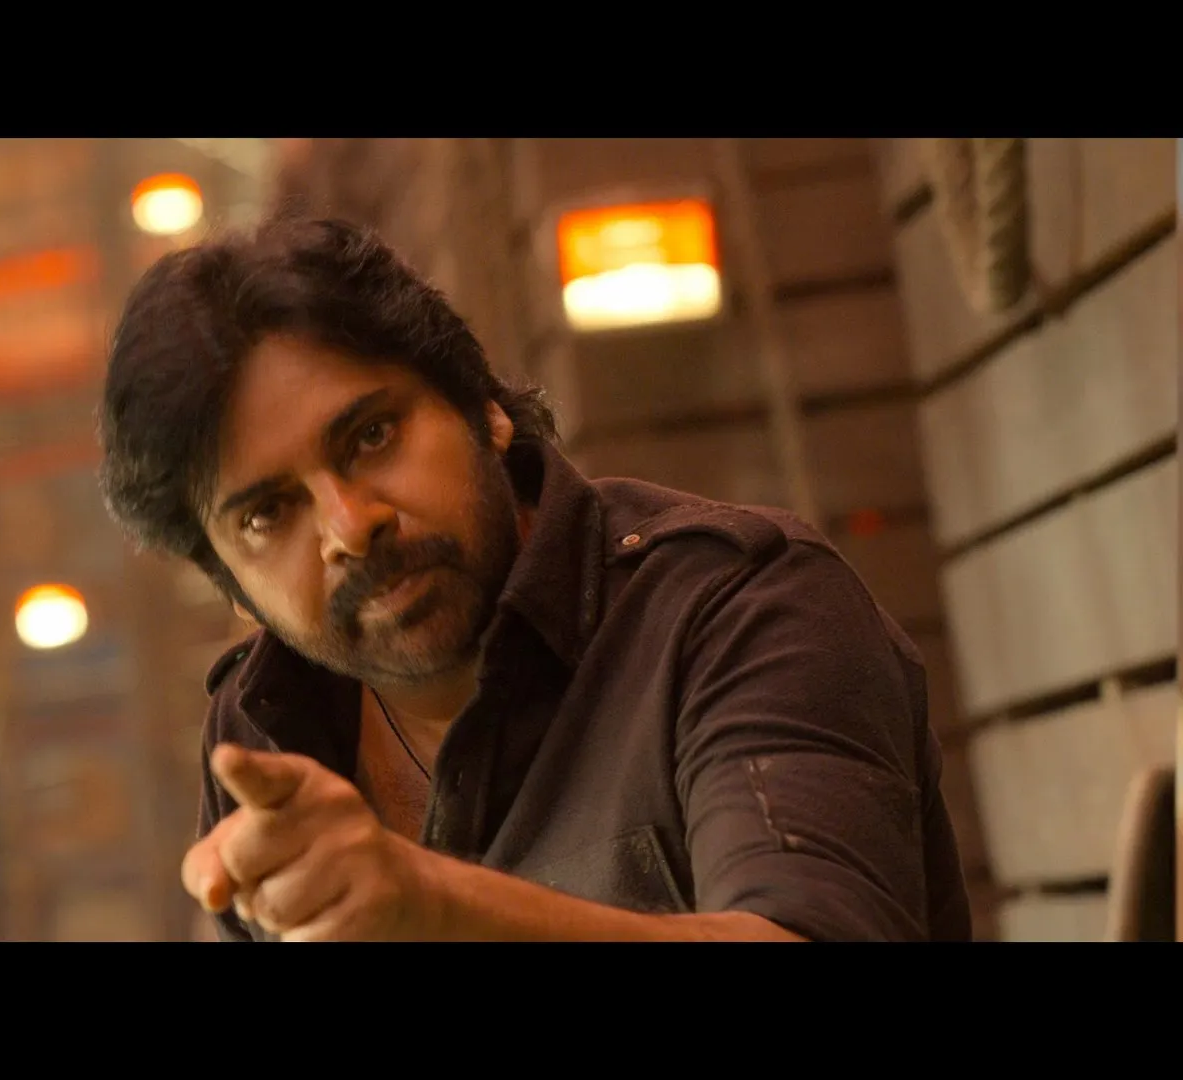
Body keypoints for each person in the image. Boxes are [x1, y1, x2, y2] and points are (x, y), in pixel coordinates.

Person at [95, 213, 973, 942]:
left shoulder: (740, 606)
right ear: (231, 585)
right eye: (267, 514)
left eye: (371, 436)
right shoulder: (261, 735)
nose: (349, 527)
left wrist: (432, 907)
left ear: (482, 407)